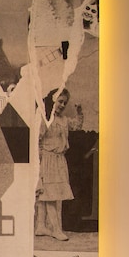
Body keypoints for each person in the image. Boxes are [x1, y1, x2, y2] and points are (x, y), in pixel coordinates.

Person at [35, 88, 83, 241]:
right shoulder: (45, 119)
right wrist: (38, 163)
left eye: (64, 103)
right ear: (53, 101)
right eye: (60, 101)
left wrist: (79, 112)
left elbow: (76, 126)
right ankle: (55, 229)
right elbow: (37, 141)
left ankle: (41, 226)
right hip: (47, 159)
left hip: (59, 160)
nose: (62, 105)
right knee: (49, 194)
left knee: (51, 194)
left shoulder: (63, 120)